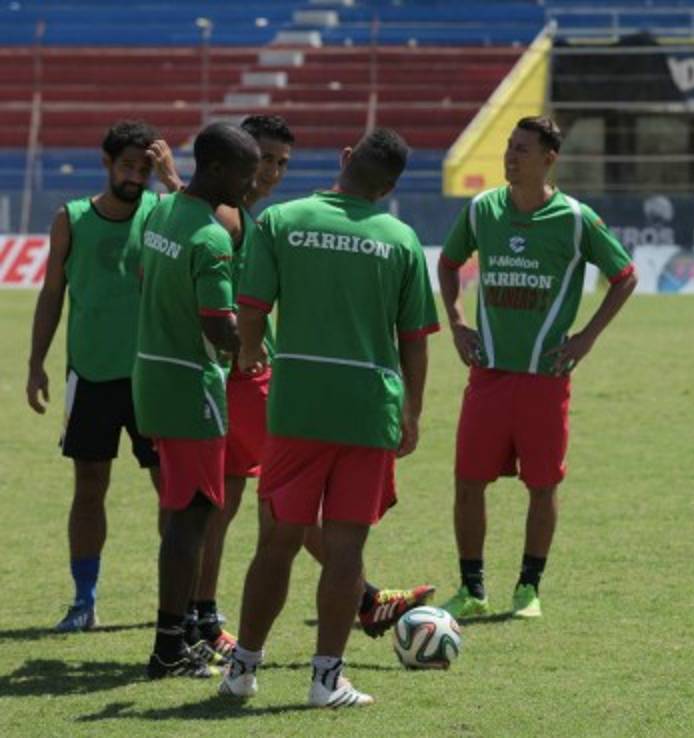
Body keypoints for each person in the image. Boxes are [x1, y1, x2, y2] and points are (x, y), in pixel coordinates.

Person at [191, 115, 430, 661]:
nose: (270, 173)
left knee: (271, 532)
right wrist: (413, 411)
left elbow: (250, 309)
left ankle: (239, 658)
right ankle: (326, 671)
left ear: (345, 158)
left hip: (290, 401)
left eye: (279, 163)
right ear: (389, 188)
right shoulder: (402, 239)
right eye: (264, 162)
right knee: (339, 541)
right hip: (367, 409)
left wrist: (249, 353)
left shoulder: (281, 220)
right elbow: (415, 340)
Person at [437, 116, 638, 620]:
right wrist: (458, 321)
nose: (510, 156)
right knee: (467, 481)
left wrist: (587, 338)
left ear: (550, 158)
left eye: (522, 149)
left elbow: (625, 276)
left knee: (543, 485)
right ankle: (472, 588)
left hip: (545, 380)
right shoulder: (483, 209)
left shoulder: (574, 219)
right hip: (487, 375)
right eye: (508, 147)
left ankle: (528, 588)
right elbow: (447, 261)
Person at [25, 119, 182, 632]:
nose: (136, 176)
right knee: (89, 486)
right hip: (89, 375)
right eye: (128, 166)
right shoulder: (71, 218)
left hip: (154, 377)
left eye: (145, 167)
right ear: (107, 163)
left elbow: (212, 226)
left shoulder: (164, 213)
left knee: (173, 490)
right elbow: (51, 295)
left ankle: (178, 603)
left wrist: (172, 179)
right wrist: (36, 363)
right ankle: (84, 599)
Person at [135, 122, 260, 678]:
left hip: (152, 373)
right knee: (195, 516)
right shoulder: (210, 237)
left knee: (182, 510)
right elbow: (218, 325)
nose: (251, 183)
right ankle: (170, 647)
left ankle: (175, 636)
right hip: (191, 383)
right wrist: (250, 350)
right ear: (215, 170)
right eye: (245, 172)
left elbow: (146, 273)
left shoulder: (161, 211)